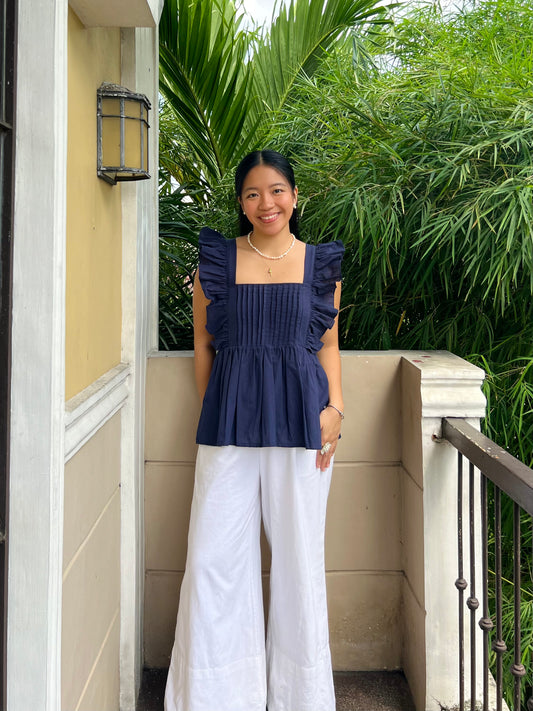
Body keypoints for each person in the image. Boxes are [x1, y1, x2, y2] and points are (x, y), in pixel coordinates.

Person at [164, 149, 344, 711]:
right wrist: (215, 401)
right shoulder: (216, 262)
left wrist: (336, 407)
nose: (265, 203)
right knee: (213, 559)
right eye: (251, 194)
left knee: (299, 562)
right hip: (228, 426)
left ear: (295, 197)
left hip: (303, 423)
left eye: (276, 191)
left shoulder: (319, 265)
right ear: (241, 203)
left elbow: (329, 343)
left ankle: (301, 699)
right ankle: (216, 696)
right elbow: (202, 341)